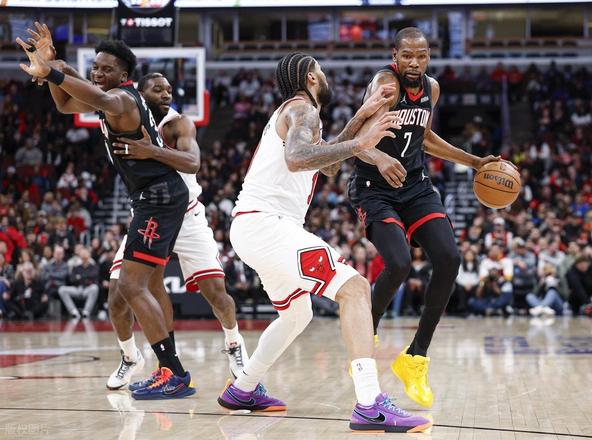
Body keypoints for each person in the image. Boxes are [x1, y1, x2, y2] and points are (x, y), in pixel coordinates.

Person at [218, 52, 431, 433]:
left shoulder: (297, 113)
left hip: (255, 227)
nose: (326, 75)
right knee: (355, 288)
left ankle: (243, 387)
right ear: (311, 78)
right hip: (267, 224)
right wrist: (362, 141)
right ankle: (369, 404)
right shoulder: (303, 110)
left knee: (297, 314)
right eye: (321, 70)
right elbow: (298, 157)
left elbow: (327, 164)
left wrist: (359, 118)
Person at [18, 23, 192, 399]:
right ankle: (168, 369)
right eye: (95, 67)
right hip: (153, 197)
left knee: (130, 286)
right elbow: (65, 103)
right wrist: (54, 65)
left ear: (123, 75)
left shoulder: (123, 99)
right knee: (139, 286)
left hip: (159, 198)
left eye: (106, 69)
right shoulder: (108, 96)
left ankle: (173, 373)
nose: (98, 73)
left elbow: (96, 97)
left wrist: (53, 72)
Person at [348, 27, 508, 408]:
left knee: (449, 259)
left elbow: (427, 138)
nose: (414, 62)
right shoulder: (385, 86)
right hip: (374, 187)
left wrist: (474, 162)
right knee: (400, 262)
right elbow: (358, 140)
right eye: (407, 55)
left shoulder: (431, 89)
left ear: (429, 57)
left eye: (421, 56)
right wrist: (379, 158)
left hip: (415, 185)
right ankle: (368, 328)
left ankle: (416, 357)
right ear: (395, 56)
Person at [104, 73, 248, 390]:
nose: (166, 94)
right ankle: (133, 357)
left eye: (169, 89)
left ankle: (234, 344)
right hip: (149, 214)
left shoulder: (178, 123)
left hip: (186, 216)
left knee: (216, 292)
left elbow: (193, 162)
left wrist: (151, 151)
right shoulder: (124, 119)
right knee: (118, 296)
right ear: (139, 94)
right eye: (157, 89)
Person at [57, 247, 99, 319]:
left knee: (95, 288)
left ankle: (86, 312)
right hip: (77, 288)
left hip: (88, 289)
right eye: (82, 253)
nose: (84, 255)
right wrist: (85, 278)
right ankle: (73, 311)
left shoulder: (94, 267)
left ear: (89, 254)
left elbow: (94, 278)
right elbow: (72, 279)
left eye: (85, 253)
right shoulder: (76, 267)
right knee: (62, 289)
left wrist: (80, 278)